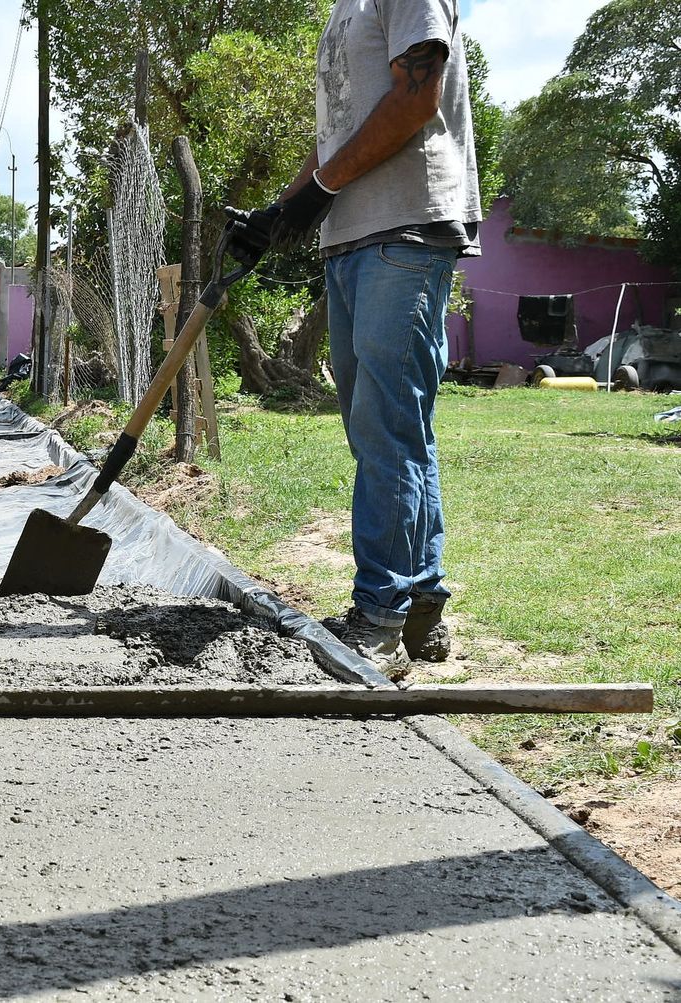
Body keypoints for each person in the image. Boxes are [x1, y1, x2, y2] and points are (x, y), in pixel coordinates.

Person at [228, 0, 481, 671]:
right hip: (350, 239)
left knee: (385, 427)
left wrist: (317, 190)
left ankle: (379, 615)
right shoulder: (346, 10)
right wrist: (280, 211)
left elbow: (416, 97)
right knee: (387, 428)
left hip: (405, 229)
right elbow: (339, 139)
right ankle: (419, 605)